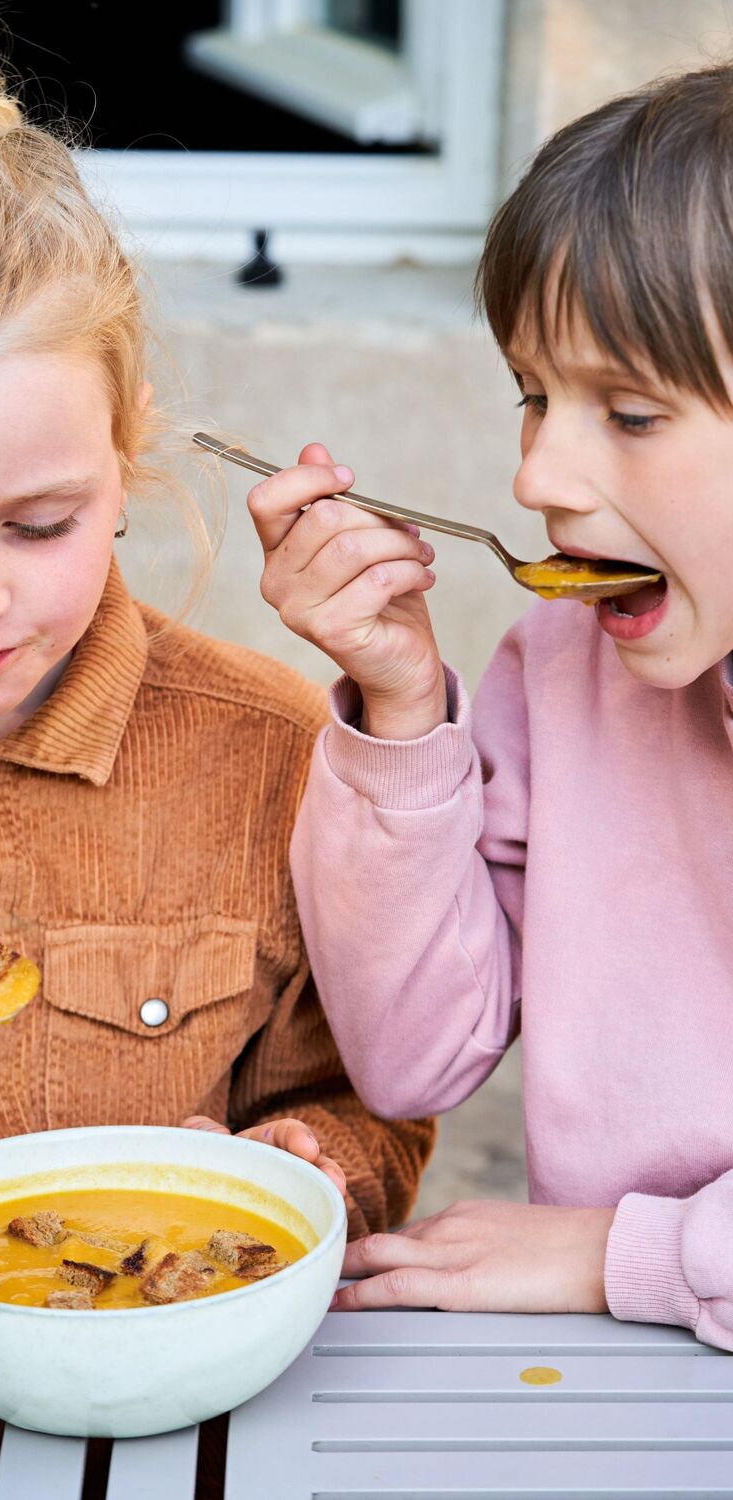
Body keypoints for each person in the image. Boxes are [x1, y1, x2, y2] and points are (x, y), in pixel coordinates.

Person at [0, 19, 434, 1295]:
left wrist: (307, 1162)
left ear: (127, 451)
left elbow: (364, 1104)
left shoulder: (268, 750)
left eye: (39, 524)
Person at [248, 63, 733, 1350]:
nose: (536, 477)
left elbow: (619, 1261)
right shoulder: (561, 668)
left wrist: (629, 1255)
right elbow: (418, 1059)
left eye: (628, 411)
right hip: (619, 1372)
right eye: (533, 394)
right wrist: (402, 715)